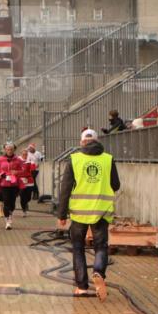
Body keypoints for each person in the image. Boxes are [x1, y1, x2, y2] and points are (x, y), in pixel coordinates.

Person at [57, 128, 121, 301]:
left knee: (78, 249)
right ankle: (99, 271)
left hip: (79, 213)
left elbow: (65, 189)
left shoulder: (74, 159)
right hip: (101, 211)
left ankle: (81, 287)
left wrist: (61, 214)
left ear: (81, 142)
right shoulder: (108, 159)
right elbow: (115, 185)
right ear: (97, 141)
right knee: (101, 246)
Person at [0, 142, 25, 230]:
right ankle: (8, 221)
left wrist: (17, 172)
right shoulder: (1, 159)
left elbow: (24, 170)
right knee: (6, 202)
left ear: (14, 150)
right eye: (8, 149)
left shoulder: (18, 159)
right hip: (4, 184)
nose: (9, 151)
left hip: (14, 184)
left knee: (12, 204)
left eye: (11, 149)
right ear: (5, 150)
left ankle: (10, 213)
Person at [18, 149, 36, 217]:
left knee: (28, 197)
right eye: (23, 154)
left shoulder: (30, 160)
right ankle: (24, 211)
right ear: (21, 154)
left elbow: (33, 170)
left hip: (29, 181)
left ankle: (26, 203)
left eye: (26, 154)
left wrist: (29, 175)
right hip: (21, 181)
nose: (25, 156)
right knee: (22, 196)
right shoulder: (18, 161)